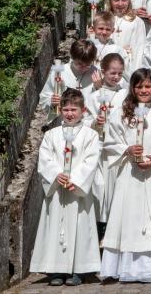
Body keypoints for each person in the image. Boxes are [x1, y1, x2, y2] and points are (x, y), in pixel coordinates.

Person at [101, 69, 151, 283]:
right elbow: (110, 142)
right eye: (139, 86)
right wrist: (126, 149)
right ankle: (129, 268)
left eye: (148, 86)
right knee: (130, 217)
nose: (144, 90)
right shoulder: (121, 113)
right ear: (132, 88)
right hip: (130, 173)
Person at [30, 89, 102, 286]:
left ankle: (77, 270)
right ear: (60, 110)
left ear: (83, 110)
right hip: (58, 190)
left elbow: (91, 160)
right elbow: (45, 158)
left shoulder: (90, 135)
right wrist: (56, 174)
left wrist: (76, 179)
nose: (70, 113)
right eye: (66, 109)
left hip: (77, 191)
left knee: (79, 227)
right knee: (55, 226)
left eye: (74, 109)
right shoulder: (51, 135)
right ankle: (55, 270)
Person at [88, 53, 129, 228]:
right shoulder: (94, 95)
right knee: (98, 186)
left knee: (114, 187)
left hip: (116, 148)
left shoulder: (125, 95)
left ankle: (113, 224)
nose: (116, 77)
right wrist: (94, 122)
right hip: (98, 147)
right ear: (103, 71)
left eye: (120, 73)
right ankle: (98, 224)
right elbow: (84, 119)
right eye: (112, 73)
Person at [39, 40, 100, 122]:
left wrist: (98, 87)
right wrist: (52, 100)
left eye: (87, 65)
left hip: (86, 123)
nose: (83, 67)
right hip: (63, 122)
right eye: (79, 64)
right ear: (72, 57)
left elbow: (103, 102)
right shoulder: (59, 72)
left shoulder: (95, 73)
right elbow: (44, 97)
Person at [107, 0, 147, 71]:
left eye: (124, 0)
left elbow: (139, 48)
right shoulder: (105, 20)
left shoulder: (137, 21)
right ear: (110, 1)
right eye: (116, 0)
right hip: (108, 65)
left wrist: (136, 71)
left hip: (129, 65)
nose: (120, 3)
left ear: (129, 1)